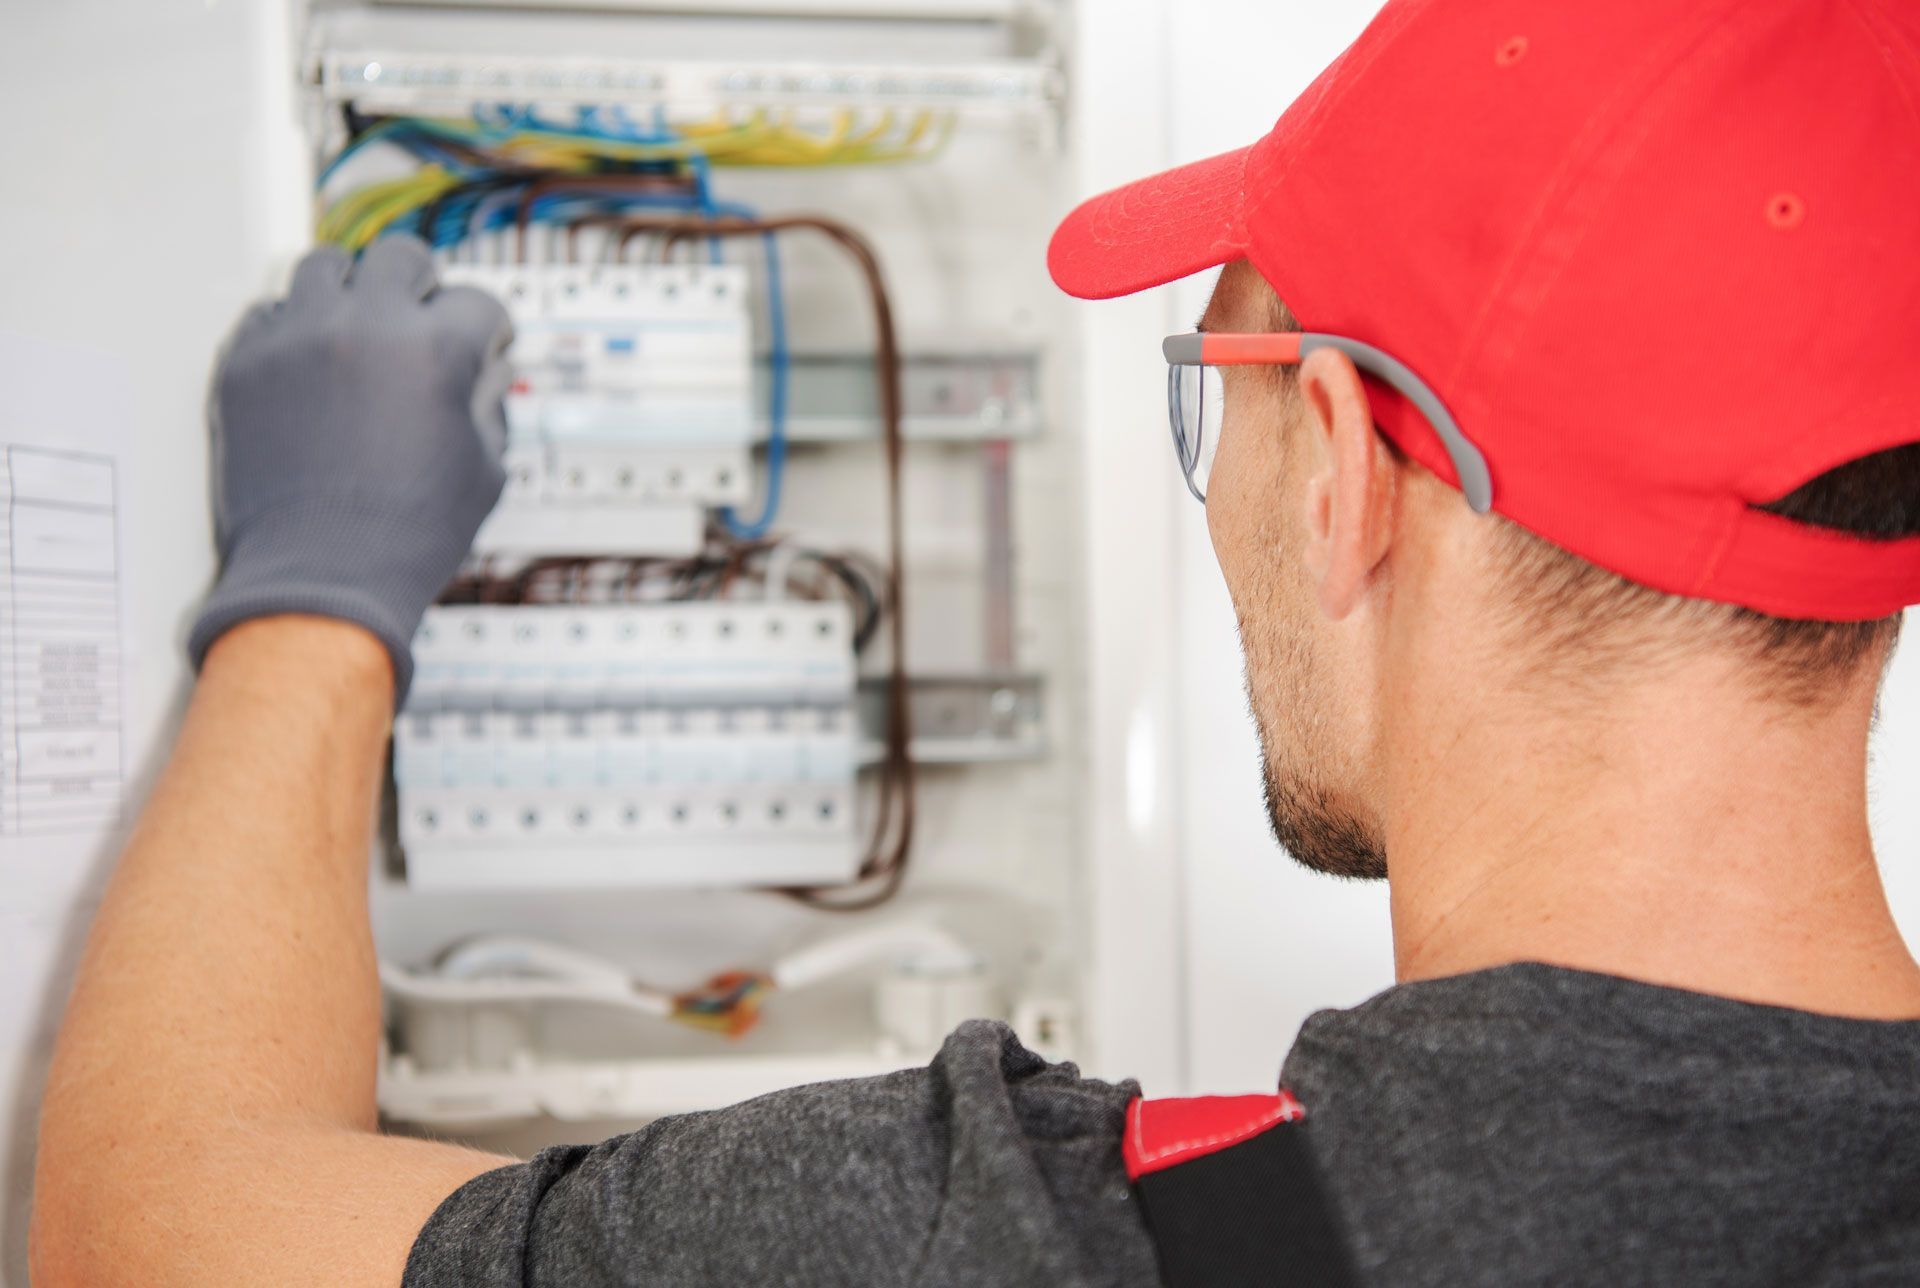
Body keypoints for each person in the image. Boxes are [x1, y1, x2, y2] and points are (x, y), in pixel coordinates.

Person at [29, 0, 1920, 1283]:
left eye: (1227, 383)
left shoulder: (1042, 1239)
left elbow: (148, 1231)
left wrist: (317, 588)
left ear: (1345, 464)